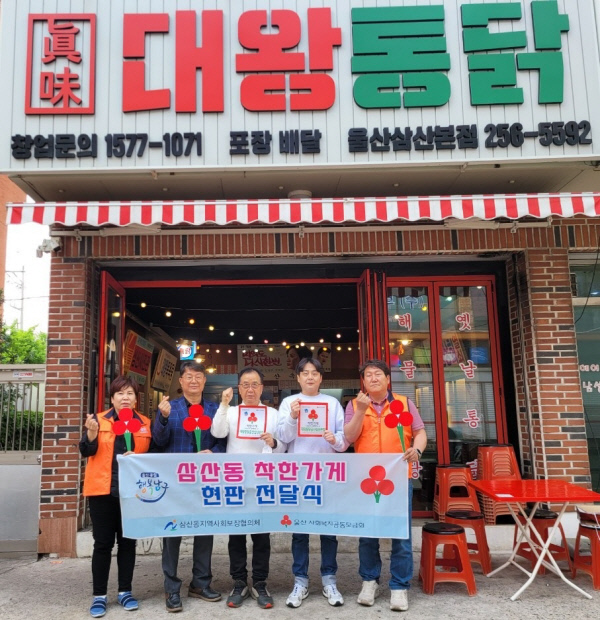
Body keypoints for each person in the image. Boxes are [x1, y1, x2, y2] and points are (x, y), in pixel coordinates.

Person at [343, 360, 427, 612]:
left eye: (378, 374)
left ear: (388, 379)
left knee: (401, 535)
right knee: (368, 534)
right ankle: (369, 581)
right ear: (363, 382)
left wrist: (417, 450)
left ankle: (399, 586)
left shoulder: (404, 403)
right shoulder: (354, 405)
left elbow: (420, 432)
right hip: (366, 480)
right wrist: (360, 411)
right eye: (368, 375)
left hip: (398, 478)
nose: (373, 378)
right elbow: (349, 437)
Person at [152, 360, 226, 613]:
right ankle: (171, 588)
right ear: (181, 381)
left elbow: (223, 441)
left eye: (198, 377)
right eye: (189, 377)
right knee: (171, 534)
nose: (194, 381)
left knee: (205, 531)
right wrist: (162, 419)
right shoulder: (169, 408)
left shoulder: (216, 409)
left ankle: (201, 583)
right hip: (176, 482)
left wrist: (214, 452)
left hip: (206, 480)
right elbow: (158, 442)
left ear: (205, 381)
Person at [211, 368, 287, 609]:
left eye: (255, 384)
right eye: (245, 384)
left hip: (263, 482)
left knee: (262, 536)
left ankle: (260, 583)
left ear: (262, 388)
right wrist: (223, 405)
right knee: (236, 535)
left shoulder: (273, 414)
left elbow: (283, 447)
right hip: (236, 481)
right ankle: (239, 582)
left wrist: (273, 442)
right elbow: (217, 432)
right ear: (239, 388)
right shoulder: (232, 411)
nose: (250, 389)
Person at [276, 358, 348, 608]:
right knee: (300, 532)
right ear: (297, 378)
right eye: (305, 373)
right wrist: (293, 417)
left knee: (329, 531)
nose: (309, 377)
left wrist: (334, 439)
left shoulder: (332, 403)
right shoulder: (289, 403)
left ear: (321, 378)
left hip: (327, 476)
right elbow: (282, 438)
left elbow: (344, 441)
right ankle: (300, 581)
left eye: (314, 373)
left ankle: (329, 580)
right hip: (298, 476)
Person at [79, 375, 153, 618]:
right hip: (102, 491)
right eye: (120, 393)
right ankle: (99, 595)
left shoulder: (145, 423)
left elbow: (153, 457)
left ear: (136, 399)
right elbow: (86, 451)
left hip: (133, 493)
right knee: (102, 544)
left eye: (130, 393)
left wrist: (140, 458)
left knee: (128, 542)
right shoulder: (98, 420)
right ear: (112, 398)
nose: (125, 397)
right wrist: (91, 434)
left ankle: (125, 591)